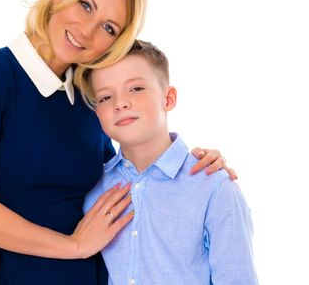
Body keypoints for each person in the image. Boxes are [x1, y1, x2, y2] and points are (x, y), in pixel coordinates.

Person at [0, 0, 234, 285]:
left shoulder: (89, 101)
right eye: (86, 5)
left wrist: (194, 166)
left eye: (109, 27)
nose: (87, 31)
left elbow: (135, 183)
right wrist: (74, 245)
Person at [79, 40, 258, 284]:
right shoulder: (93, 188)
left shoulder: (213, 187)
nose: (120, 103)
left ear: (168, 98)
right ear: (97, 112)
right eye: (106, 96)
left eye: (136, 89)